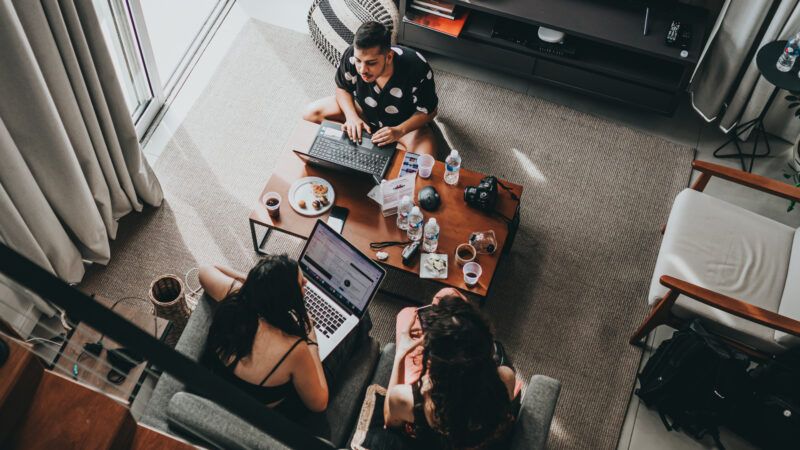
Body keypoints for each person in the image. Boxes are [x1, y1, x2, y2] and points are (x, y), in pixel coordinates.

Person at [198, 255, 367, 421]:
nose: (306, 283)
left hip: (220, 385)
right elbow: (319, 404)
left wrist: (253, 285)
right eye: (301, 283)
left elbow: (205, 270)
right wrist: (312, 340)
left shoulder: (237, 297)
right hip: (255, 412)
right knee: (362, 320)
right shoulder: (294, 348)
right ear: (287, 300)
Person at [384, 290, 517, 449]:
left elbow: (389, 421)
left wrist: (400, 355)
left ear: (435, 365)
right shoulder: (506, 378)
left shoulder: (408, 399)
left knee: (405, 314)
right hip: (476, 437)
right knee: (447, 293)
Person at [303, 21, 440, 158]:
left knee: (425, 161)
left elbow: (430, 110)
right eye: (358, 61)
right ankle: (373, 145)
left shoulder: (416, 66)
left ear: (389, 57)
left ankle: (373, 146)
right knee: (310, 113)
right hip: (361, 109)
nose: (362, 70)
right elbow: (342, 87)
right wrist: (351, 117)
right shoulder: (351, 54)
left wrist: (399, 130)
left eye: (371, 63)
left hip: (402, 123)